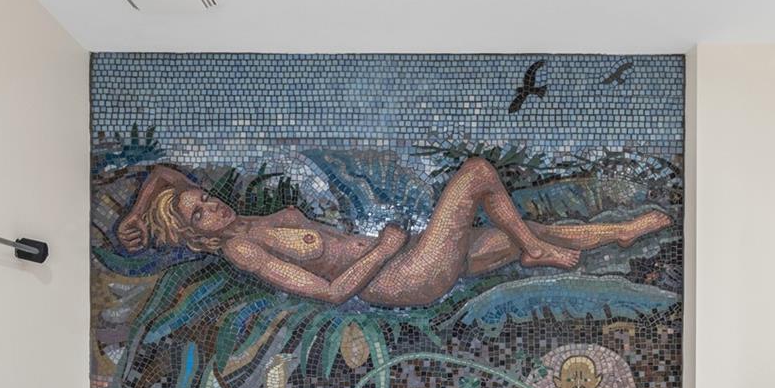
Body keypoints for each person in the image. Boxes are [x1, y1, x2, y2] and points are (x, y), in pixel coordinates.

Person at [116, 157, 671, 308]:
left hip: (409, 260)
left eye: (202, 198)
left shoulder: (246, 221)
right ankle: (533, 252)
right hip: (401, 277)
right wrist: (383, 250)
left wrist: (136, 214)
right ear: (195, 237)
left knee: (529, 224)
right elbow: (330, 292)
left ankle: (621, 232)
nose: (209, 205)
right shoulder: (243, 248)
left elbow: (164, 174)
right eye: (198, 215)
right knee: (477, 174)